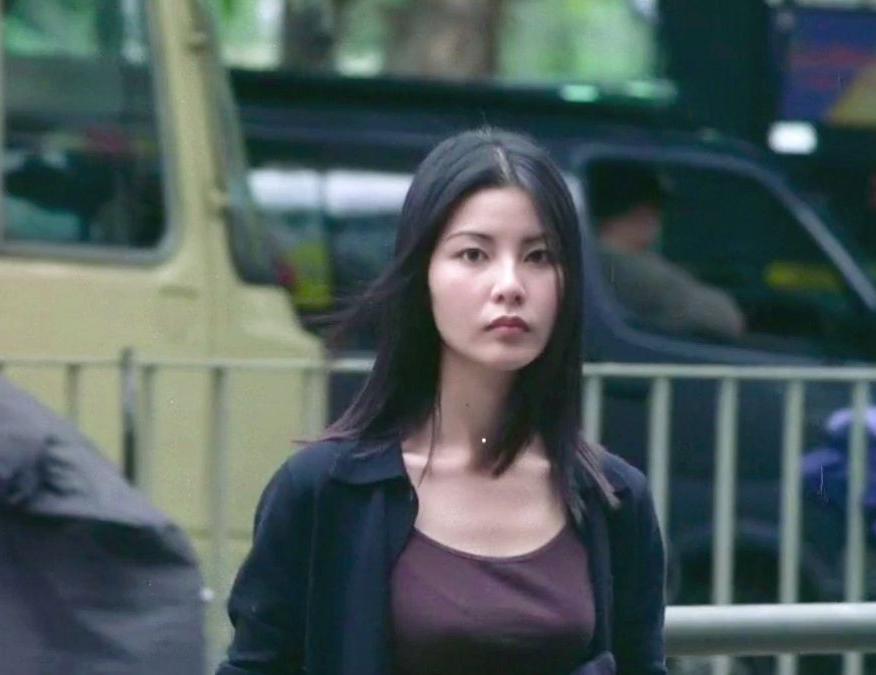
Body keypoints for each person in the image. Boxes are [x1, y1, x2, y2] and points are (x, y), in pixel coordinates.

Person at [217, 129, 667, 675]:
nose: (510, 285)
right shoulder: (324, 491)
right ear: (422, 274)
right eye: (474, 254)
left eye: (539, 256)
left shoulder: (614, 501)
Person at [591, 161, 745, 341]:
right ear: (642, 214)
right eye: (655, 213)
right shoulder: (634, 272)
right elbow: (725, 319)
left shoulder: (590, 259)